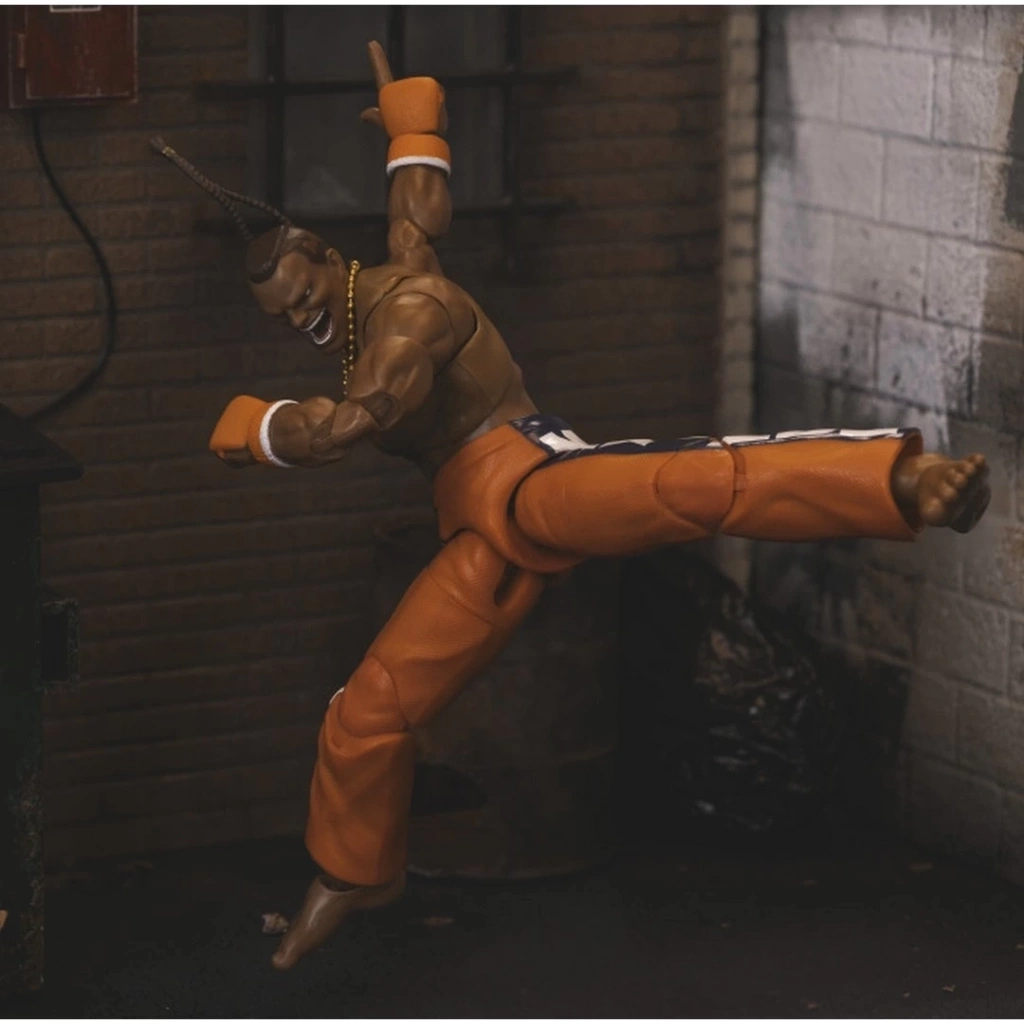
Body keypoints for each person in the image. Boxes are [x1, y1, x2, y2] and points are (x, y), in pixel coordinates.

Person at [154, 41, 991, 971]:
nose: (298, 318)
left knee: (693, 482)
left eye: (302, 297)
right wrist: (410, 126)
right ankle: (355, 875)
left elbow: (365, 413)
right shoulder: (371, 289)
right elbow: (417, 207)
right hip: (477, 534)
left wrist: (267, 429)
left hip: (531, 482)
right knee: (367, 709)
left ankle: (900, 481)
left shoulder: (408, 313)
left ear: (324, 258)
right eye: (281, 316)